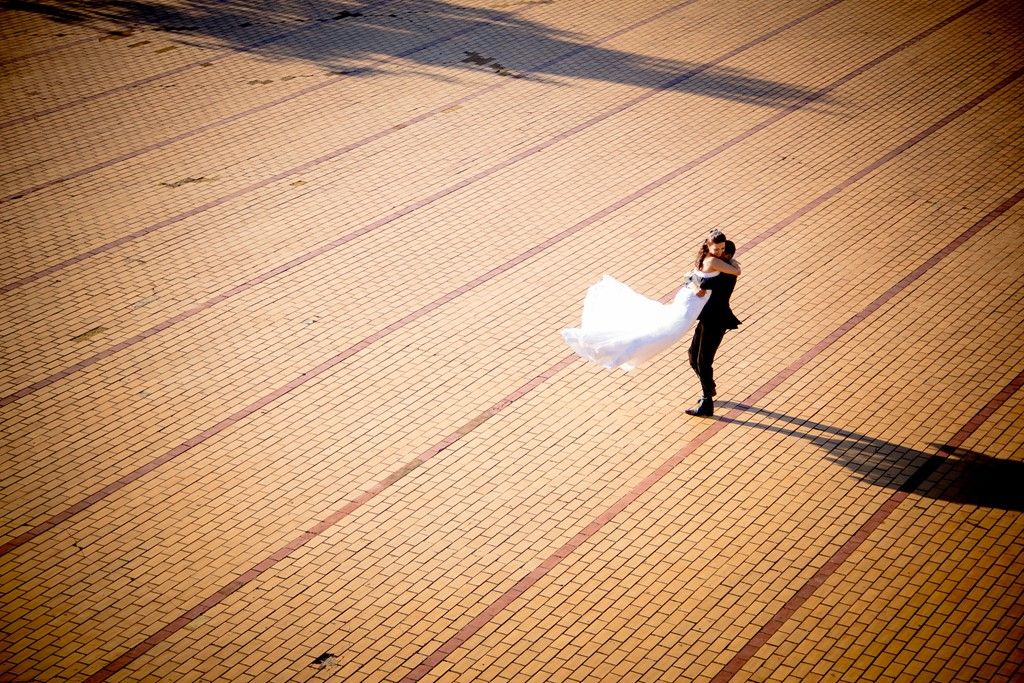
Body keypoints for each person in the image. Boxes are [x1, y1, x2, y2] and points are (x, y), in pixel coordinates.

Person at [685, 238, 741, 417]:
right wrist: (694, 283)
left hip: (716, 320)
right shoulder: (716, 270)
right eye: (716, 250)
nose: (716, 255)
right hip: (706, 319)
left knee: (703, 361)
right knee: (693, 356)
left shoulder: (724, 277)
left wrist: (694, 283)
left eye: (722, 252)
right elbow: (691, 278)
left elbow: (695, 279)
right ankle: (709, 387)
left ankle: (707, 402)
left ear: (728, 256)